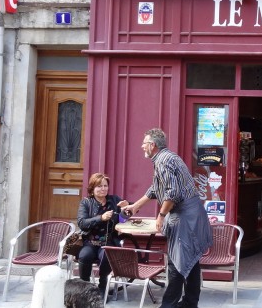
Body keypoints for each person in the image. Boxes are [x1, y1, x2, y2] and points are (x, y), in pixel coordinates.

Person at [124, 128, 212, 308]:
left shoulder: (162, 161)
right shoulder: (168, 157)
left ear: (152, 145)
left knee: (176, 263)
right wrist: (135, 206)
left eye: (144, 143)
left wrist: (161, 215)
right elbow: (155, 189)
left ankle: (169, 305)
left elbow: (172, 193)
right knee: (191, 260)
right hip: (192, 214)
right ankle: (189, 303)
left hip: (184, 217)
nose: (142, 147)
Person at [76, 172, 129, 294]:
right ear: (92, 188)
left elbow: (124, 218)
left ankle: (102, 286)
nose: (103, 189)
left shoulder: (114, 200)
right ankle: (85, 288)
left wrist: (126, 209)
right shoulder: (86, 203)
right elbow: (82, 223)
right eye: (99, 186)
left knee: (106, 254)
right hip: (90, 242)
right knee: (84, 256)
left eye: (105, 186)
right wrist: (101, 218)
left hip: (108, 241)